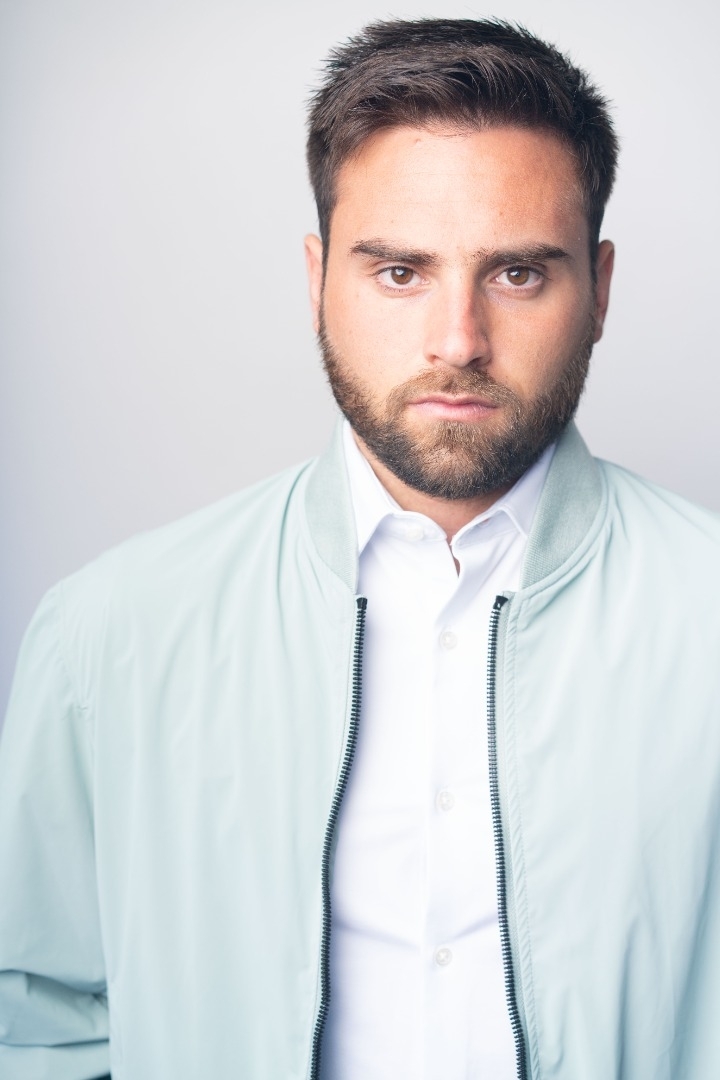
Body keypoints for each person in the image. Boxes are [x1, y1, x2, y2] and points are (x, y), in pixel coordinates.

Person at [0, 16, 718, 1080]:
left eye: (519, 274)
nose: (458, 340)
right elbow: (39, 1025)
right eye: (400, 273)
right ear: (318, 278)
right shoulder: (111, 634)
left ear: (600, 290)